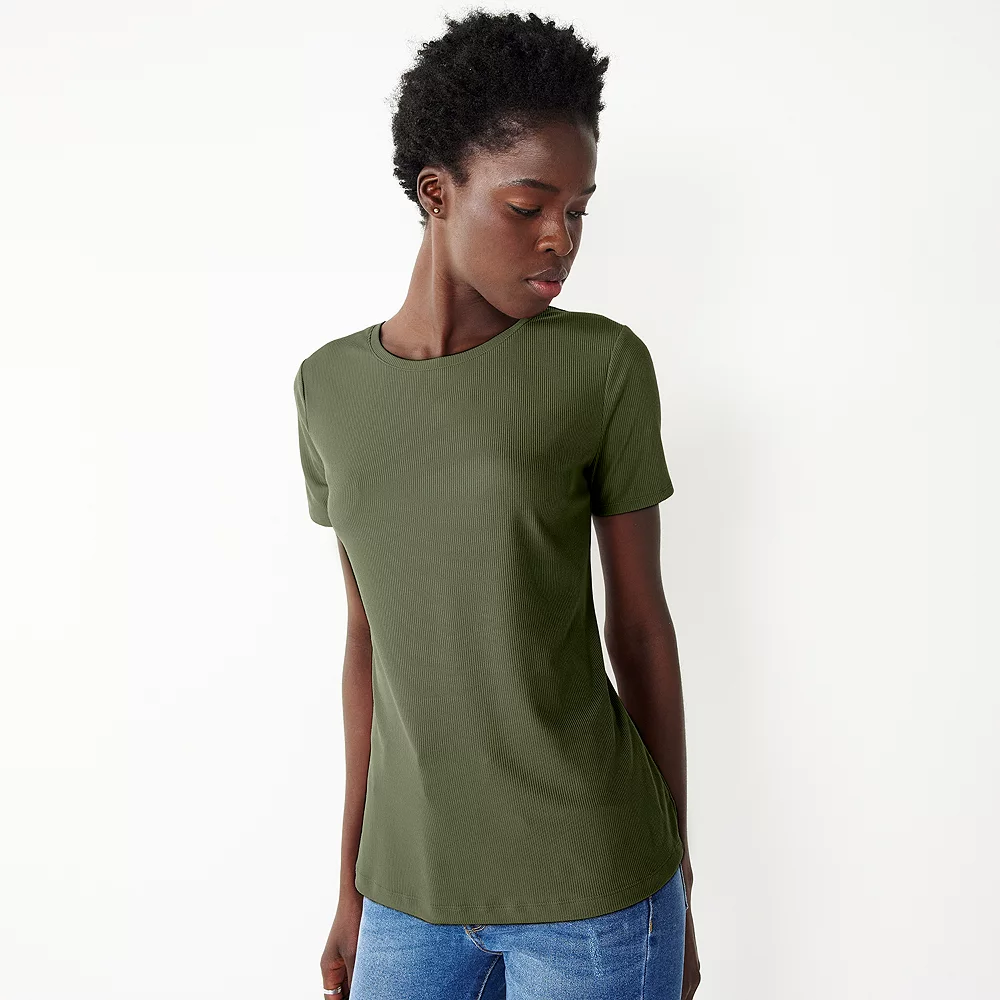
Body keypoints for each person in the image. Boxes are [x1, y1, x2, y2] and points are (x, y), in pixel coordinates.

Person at [293, 10, 701, 999]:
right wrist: (350, 883)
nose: (560, 238)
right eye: (528, 205)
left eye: (578, 210)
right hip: (405, 895)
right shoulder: (328, 388)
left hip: (594, 888)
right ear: (437, 192)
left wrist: (678, 875)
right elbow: (369, 640)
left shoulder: (600, 365)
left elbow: (640, 628)